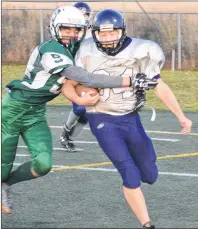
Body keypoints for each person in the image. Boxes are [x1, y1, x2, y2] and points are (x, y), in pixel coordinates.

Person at [1, 6, 141, 215]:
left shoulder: (75, 48)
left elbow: (76, 80)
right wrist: (128, 81)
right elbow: (85, 77)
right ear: (55, 28)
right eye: (66, 29)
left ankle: (5, 185)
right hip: (13, 110)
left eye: (76, 30)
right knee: (3, 165)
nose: (71, 34)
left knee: (43, 165)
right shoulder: (51, 49)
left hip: (36, 113)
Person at [62, 9, 192, 228]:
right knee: (129, 173)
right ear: (94, 34)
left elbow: (158, 86)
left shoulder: (143, 50)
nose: (107, 38)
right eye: (102, 34)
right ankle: (146, 223)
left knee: (150, 174)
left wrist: (181, 116)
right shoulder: (86, 49)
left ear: (121, 31)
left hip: (130, 118)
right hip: (101, 117)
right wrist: (81, 98)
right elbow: (70, 84)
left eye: (112, 33)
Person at [60, 2, 93, 152]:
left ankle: (69, 137)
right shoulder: (70, 33)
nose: (83, 18)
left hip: (92, 73)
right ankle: (66, 132)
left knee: (89, 113)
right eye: (81, 15)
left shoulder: (93, 32)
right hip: (75, 73)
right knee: (80, 108)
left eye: (85, 15)